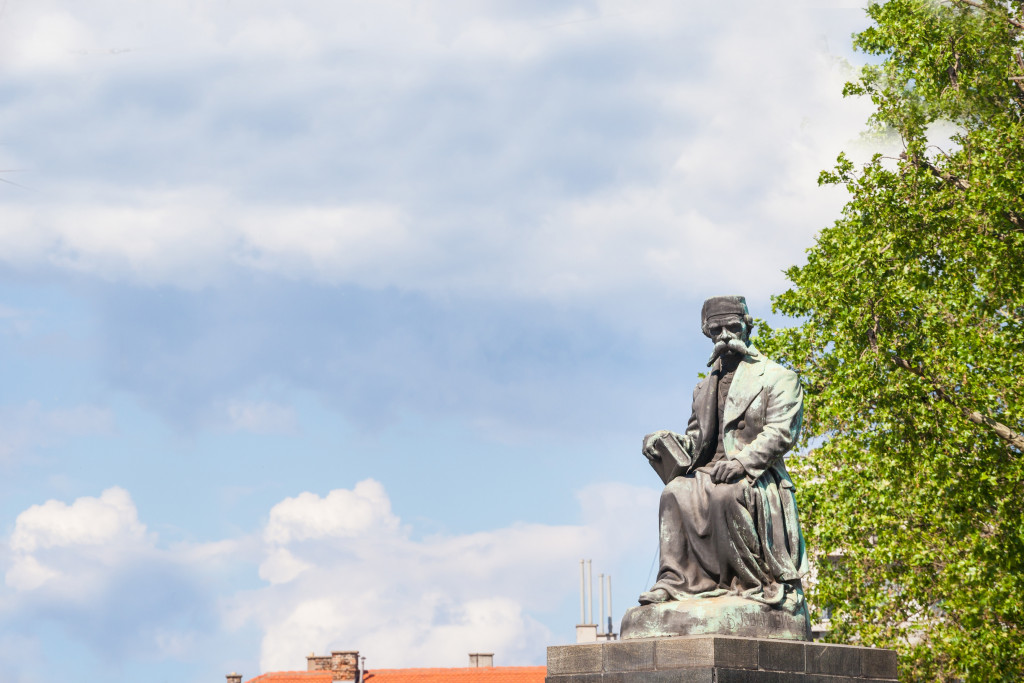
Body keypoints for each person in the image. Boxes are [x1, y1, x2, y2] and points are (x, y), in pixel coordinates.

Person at [638, 295, 808, 609]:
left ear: (748, 326)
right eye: (717, 330)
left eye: (732, 327)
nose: (725, 336)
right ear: (707, 333)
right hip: (708, 472)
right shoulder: (703, 388)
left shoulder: (778, 378)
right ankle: (673, 581)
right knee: (673, 492)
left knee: (726, 495)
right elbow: (695, 443)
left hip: (757, 476)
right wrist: (664, 441)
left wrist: (742, 463)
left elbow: (781, 433)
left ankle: (750, 583)